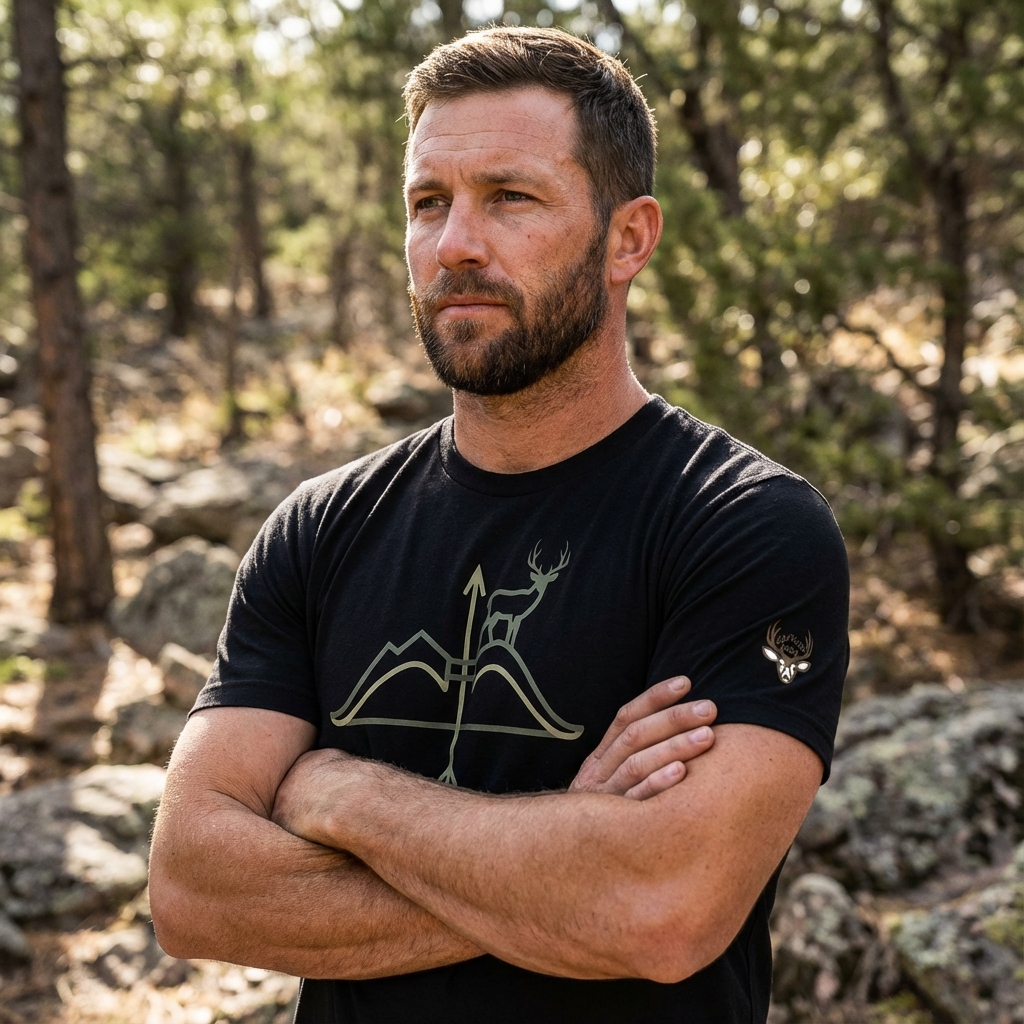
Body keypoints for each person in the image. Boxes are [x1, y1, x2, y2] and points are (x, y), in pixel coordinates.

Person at [148, 26, 849, 1024]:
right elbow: (191, 891)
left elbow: (664, 909)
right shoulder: (318, 528)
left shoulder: (742, 527)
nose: (456, 245)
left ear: (629, 237)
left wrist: (345, 797)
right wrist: (570, 850)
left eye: (509, 198)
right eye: (428, 204)